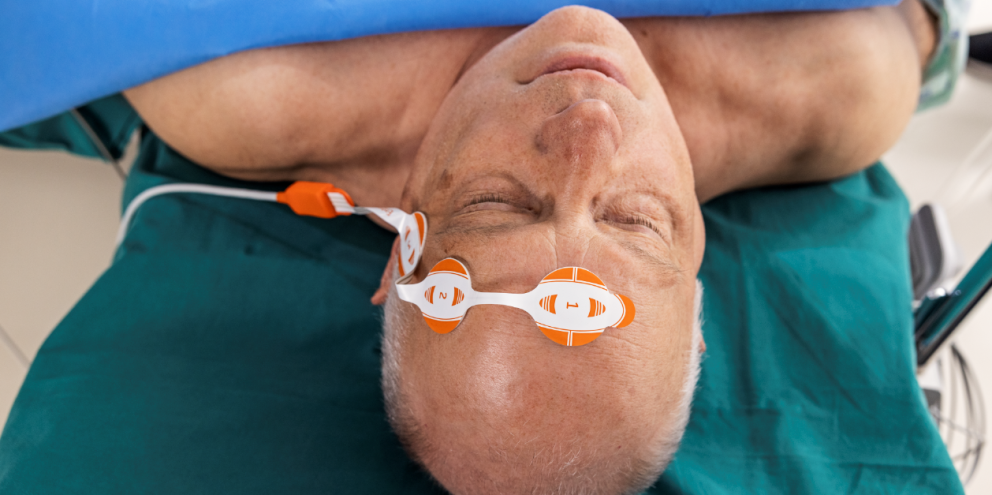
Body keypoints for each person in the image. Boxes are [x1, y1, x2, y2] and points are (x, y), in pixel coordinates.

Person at [112, 2, 934, 494]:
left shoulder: (239, 84)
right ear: (697, 282)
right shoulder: (842, 78)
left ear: (404, 248)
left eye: (498, 202)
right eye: (634, 219)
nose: (588, 128)